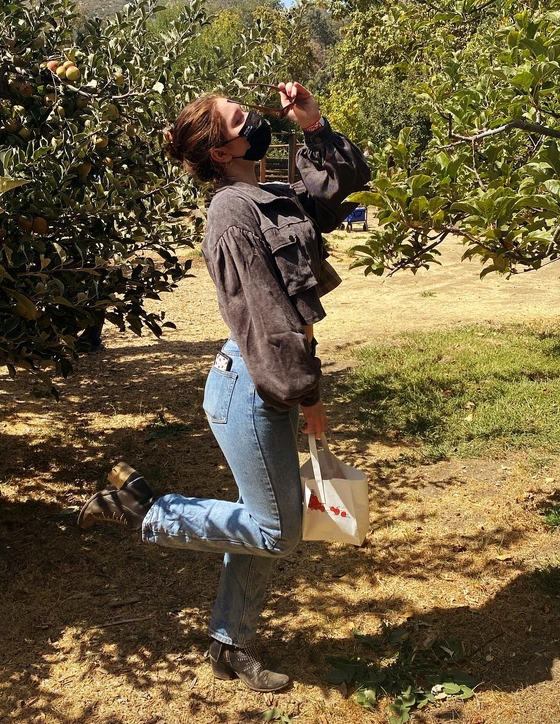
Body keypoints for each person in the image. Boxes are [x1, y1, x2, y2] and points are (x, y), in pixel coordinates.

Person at [77, 82, 370, 691]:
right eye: (243, 118)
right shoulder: (231, 213)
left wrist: (313, 128)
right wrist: (307, 394)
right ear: (221, 149)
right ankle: (147, 510)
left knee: (258, 523)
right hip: (255, 385)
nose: (257, 119)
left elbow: (341, 188)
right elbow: (264, 319)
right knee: (277, 530)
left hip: (265, 379)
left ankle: (229, 645)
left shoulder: (271, 194)